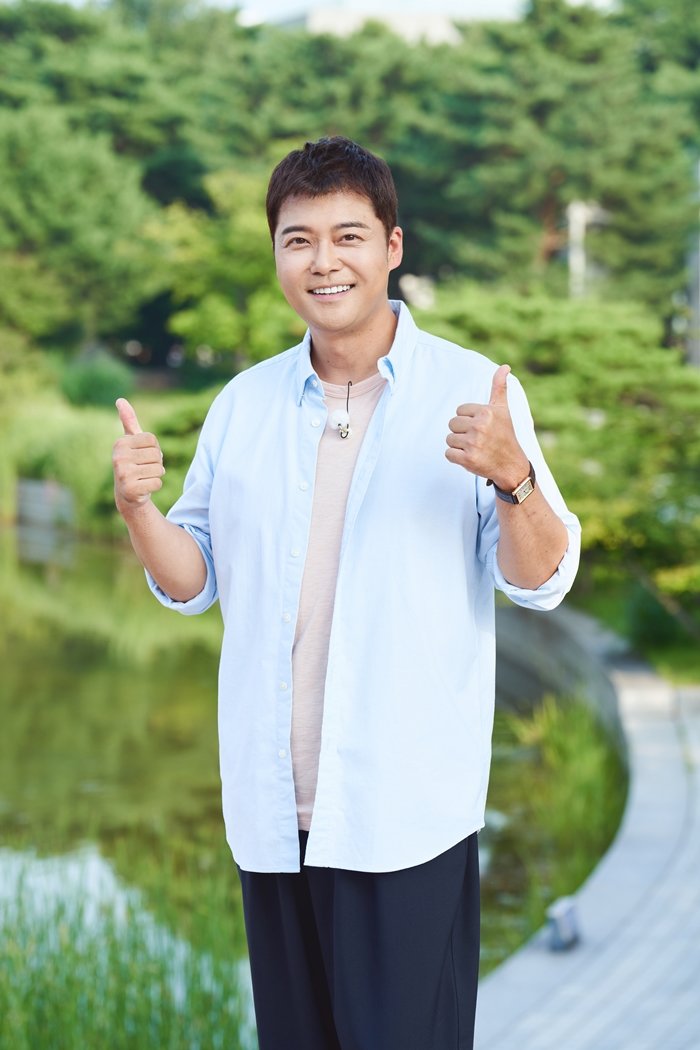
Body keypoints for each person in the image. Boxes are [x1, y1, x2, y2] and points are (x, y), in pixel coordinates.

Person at [112, 136, 580, 1050]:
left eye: (348, 236)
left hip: (403, 815)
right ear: (277, 255)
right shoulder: (243, 404)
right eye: (298, 240)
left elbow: (543, 581)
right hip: (272, 816)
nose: (323, 261)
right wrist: (138, 510)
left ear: (392, 247)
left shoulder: (473, 390)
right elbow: (192, 579)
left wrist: (514, 478)